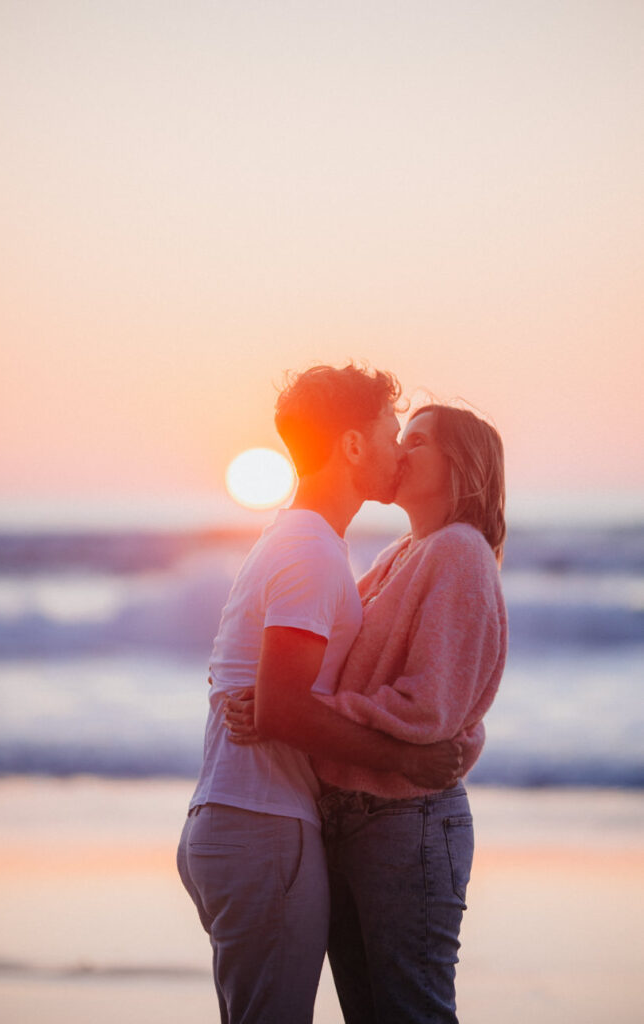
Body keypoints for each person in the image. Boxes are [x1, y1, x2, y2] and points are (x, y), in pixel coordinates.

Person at [176, 366, 461, 1024]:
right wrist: (407, 760)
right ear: (353, 446)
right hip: (262, 827)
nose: (398, 451)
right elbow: (280, 706)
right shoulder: (310, 550)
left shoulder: (300, 540)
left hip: (244, 821)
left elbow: (269, 688)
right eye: (391, 434)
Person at [226, 402, 508, 1024]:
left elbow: (430, 707)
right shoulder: (404, 552)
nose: (401, 451)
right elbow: (338, 663)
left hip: (407, 821)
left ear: (461, 465)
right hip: (351, 816)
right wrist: (278, 699)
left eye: (420, 441)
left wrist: (296, 710)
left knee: (413, 1013)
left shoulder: (458, 552)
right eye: (400, 437)